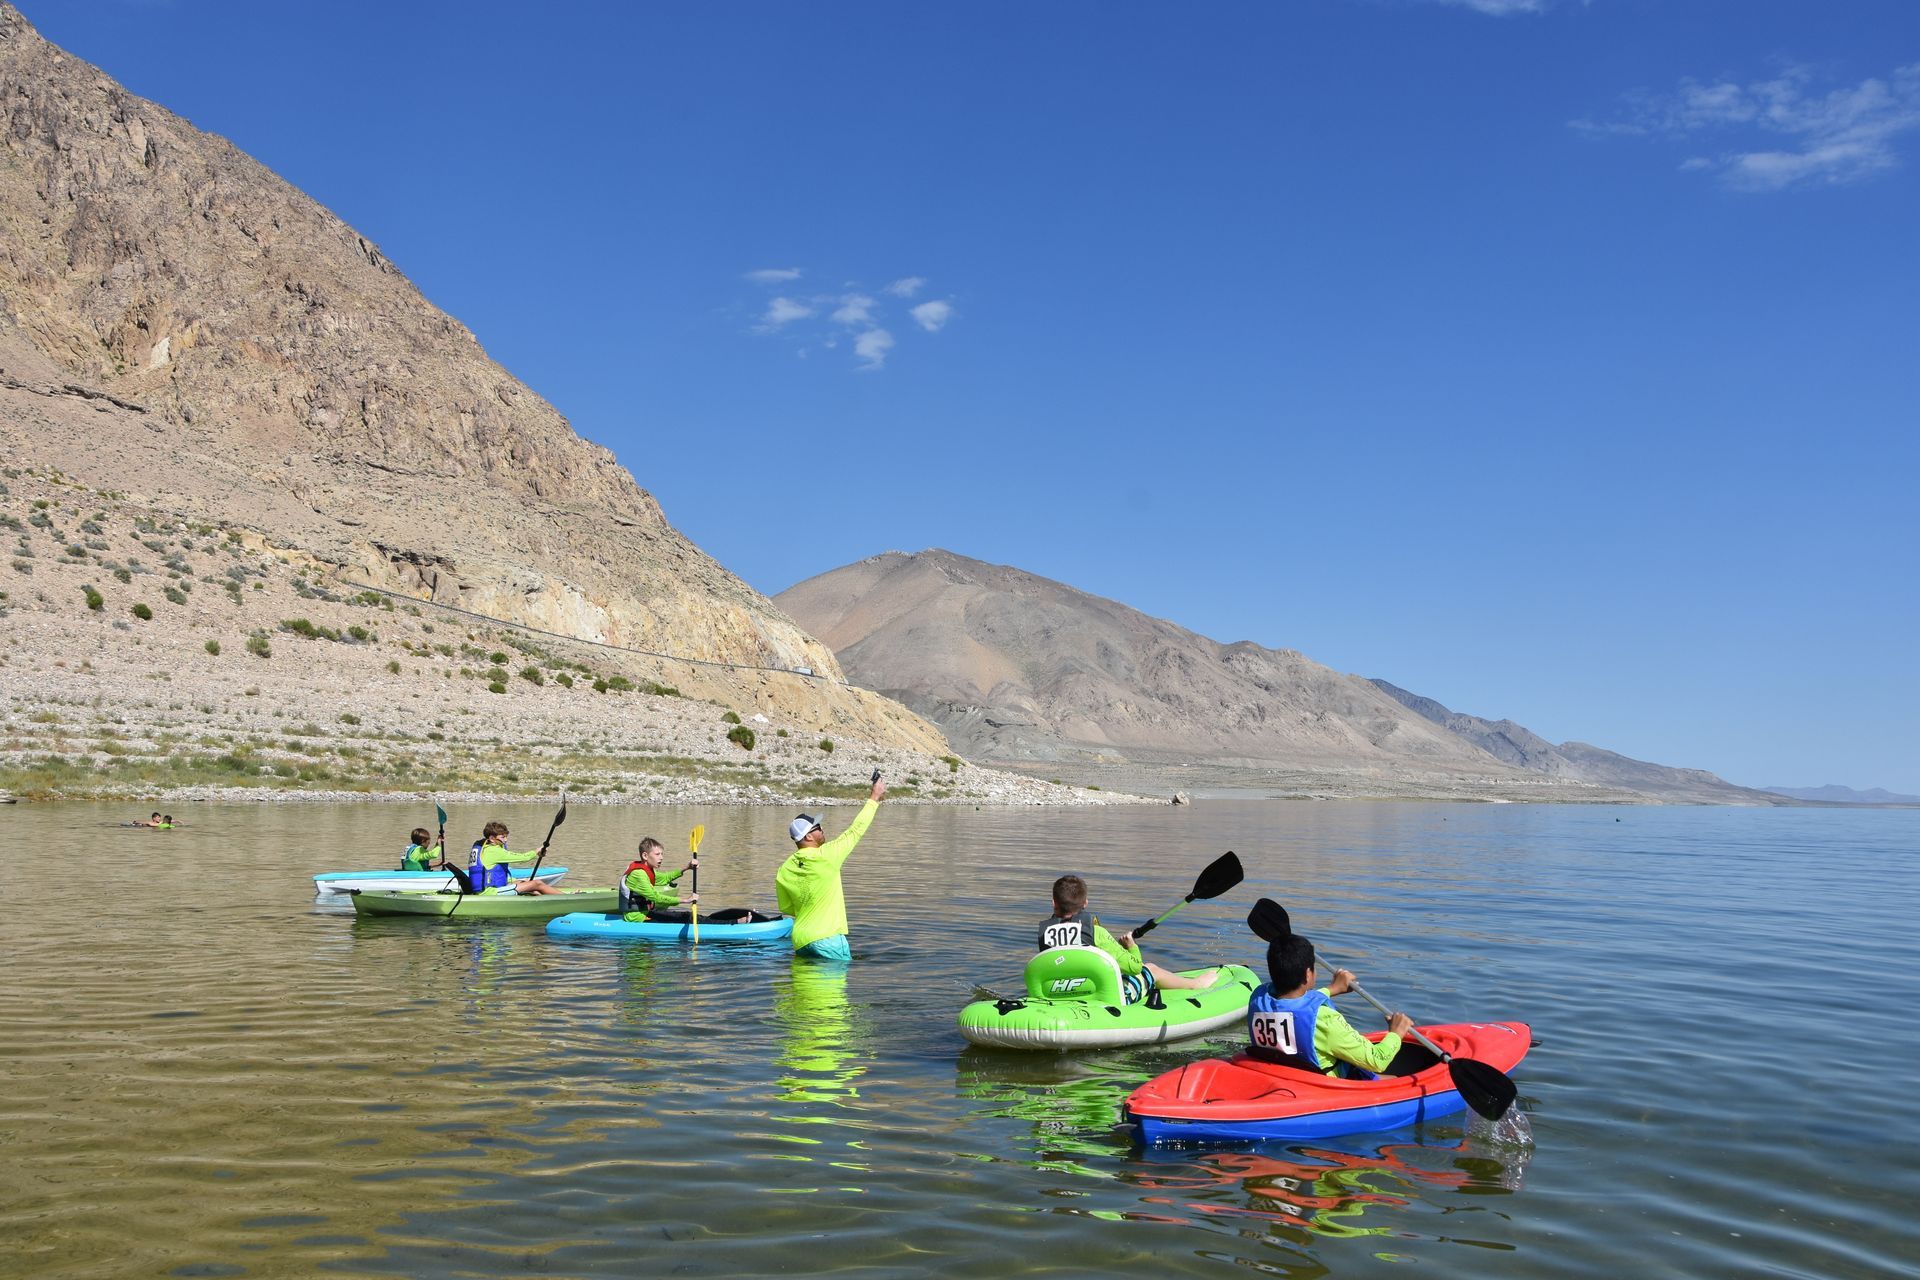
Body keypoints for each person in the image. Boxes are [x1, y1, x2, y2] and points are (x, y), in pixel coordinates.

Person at [1247, 932, 1418, 1077]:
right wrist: (1396, 1033)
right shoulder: (1325, 1020)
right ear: (1308, 974)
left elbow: (1294, 1004)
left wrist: (1332, 989)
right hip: (1323, 1089)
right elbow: (1377, 1061)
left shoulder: (1258, 997)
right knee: (1392, 1077)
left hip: (1284, 1076)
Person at [1040, 874, 1216, 1004]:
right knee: (1151, 969)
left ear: (1053, 903)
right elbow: (1134, 967)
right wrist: (1131, 946)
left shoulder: (1044, 933)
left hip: (1057, 994)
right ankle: (1196, 984)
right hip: (1100, 996)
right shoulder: (1096, 932)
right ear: (1085, 903)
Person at [776, 772, 885, 961]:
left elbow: (787, 908)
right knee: (832, 991)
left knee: (803, 989)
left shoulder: (784, 869)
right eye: (817, 827)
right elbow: (855, 830)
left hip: (800, 940)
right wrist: (874, 798)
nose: (821, 829)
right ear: (808, 836)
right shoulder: (827, 856)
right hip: (827, 938)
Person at [621, 836, 758, 925]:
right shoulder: (638, 875)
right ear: (645, 855)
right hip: (637, 919)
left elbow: (665, 878)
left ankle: (729, 921)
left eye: (662, 854)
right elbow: (655, 897)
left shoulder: (647, 870)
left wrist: (687, 868)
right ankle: (734, 923)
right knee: (687, 917)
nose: (661, 858)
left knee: (689, 917)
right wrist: (685, 900)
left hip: (647, 913)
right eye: (657, 854)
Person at [465, 820, 560, 895]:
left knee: (526, 883)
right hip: (490, 893)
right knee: (537, 883)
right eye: (502, 837)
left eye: (506, 836)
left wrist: (517, 881)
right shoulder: (493, 851)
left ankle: (547, 897)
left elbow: (492, 873)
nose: (505, 840)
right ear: (491, 838)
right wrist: (536, 852)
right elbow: (523, 858)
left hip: (487, 889)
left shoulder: (484, 847)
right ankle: (566, 898)